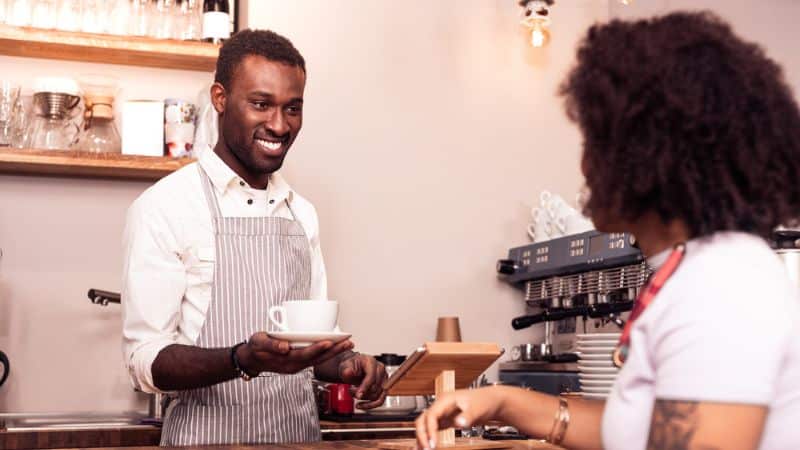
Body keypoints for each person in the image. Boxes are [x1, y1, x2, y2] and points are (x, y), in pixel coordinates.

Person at [416, 11, 800, 450]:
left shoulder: (721, 284)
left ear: (651, 155)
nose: (584, 166)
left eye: (597, 142)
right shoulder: (697, 270)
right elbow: (643, 429)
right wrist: (502, 402)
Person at [122, 29, 387, 446]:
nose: (279, 125)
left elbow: (315, 348)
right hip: (205, 439)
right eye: (261, 104)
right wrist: (241, 359)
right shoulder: (165, 207)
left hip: (297, 438)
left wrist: (351, 364)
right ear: (220, 98)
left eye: (293, 108)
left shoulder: (302, 214)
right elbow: (146, 362)